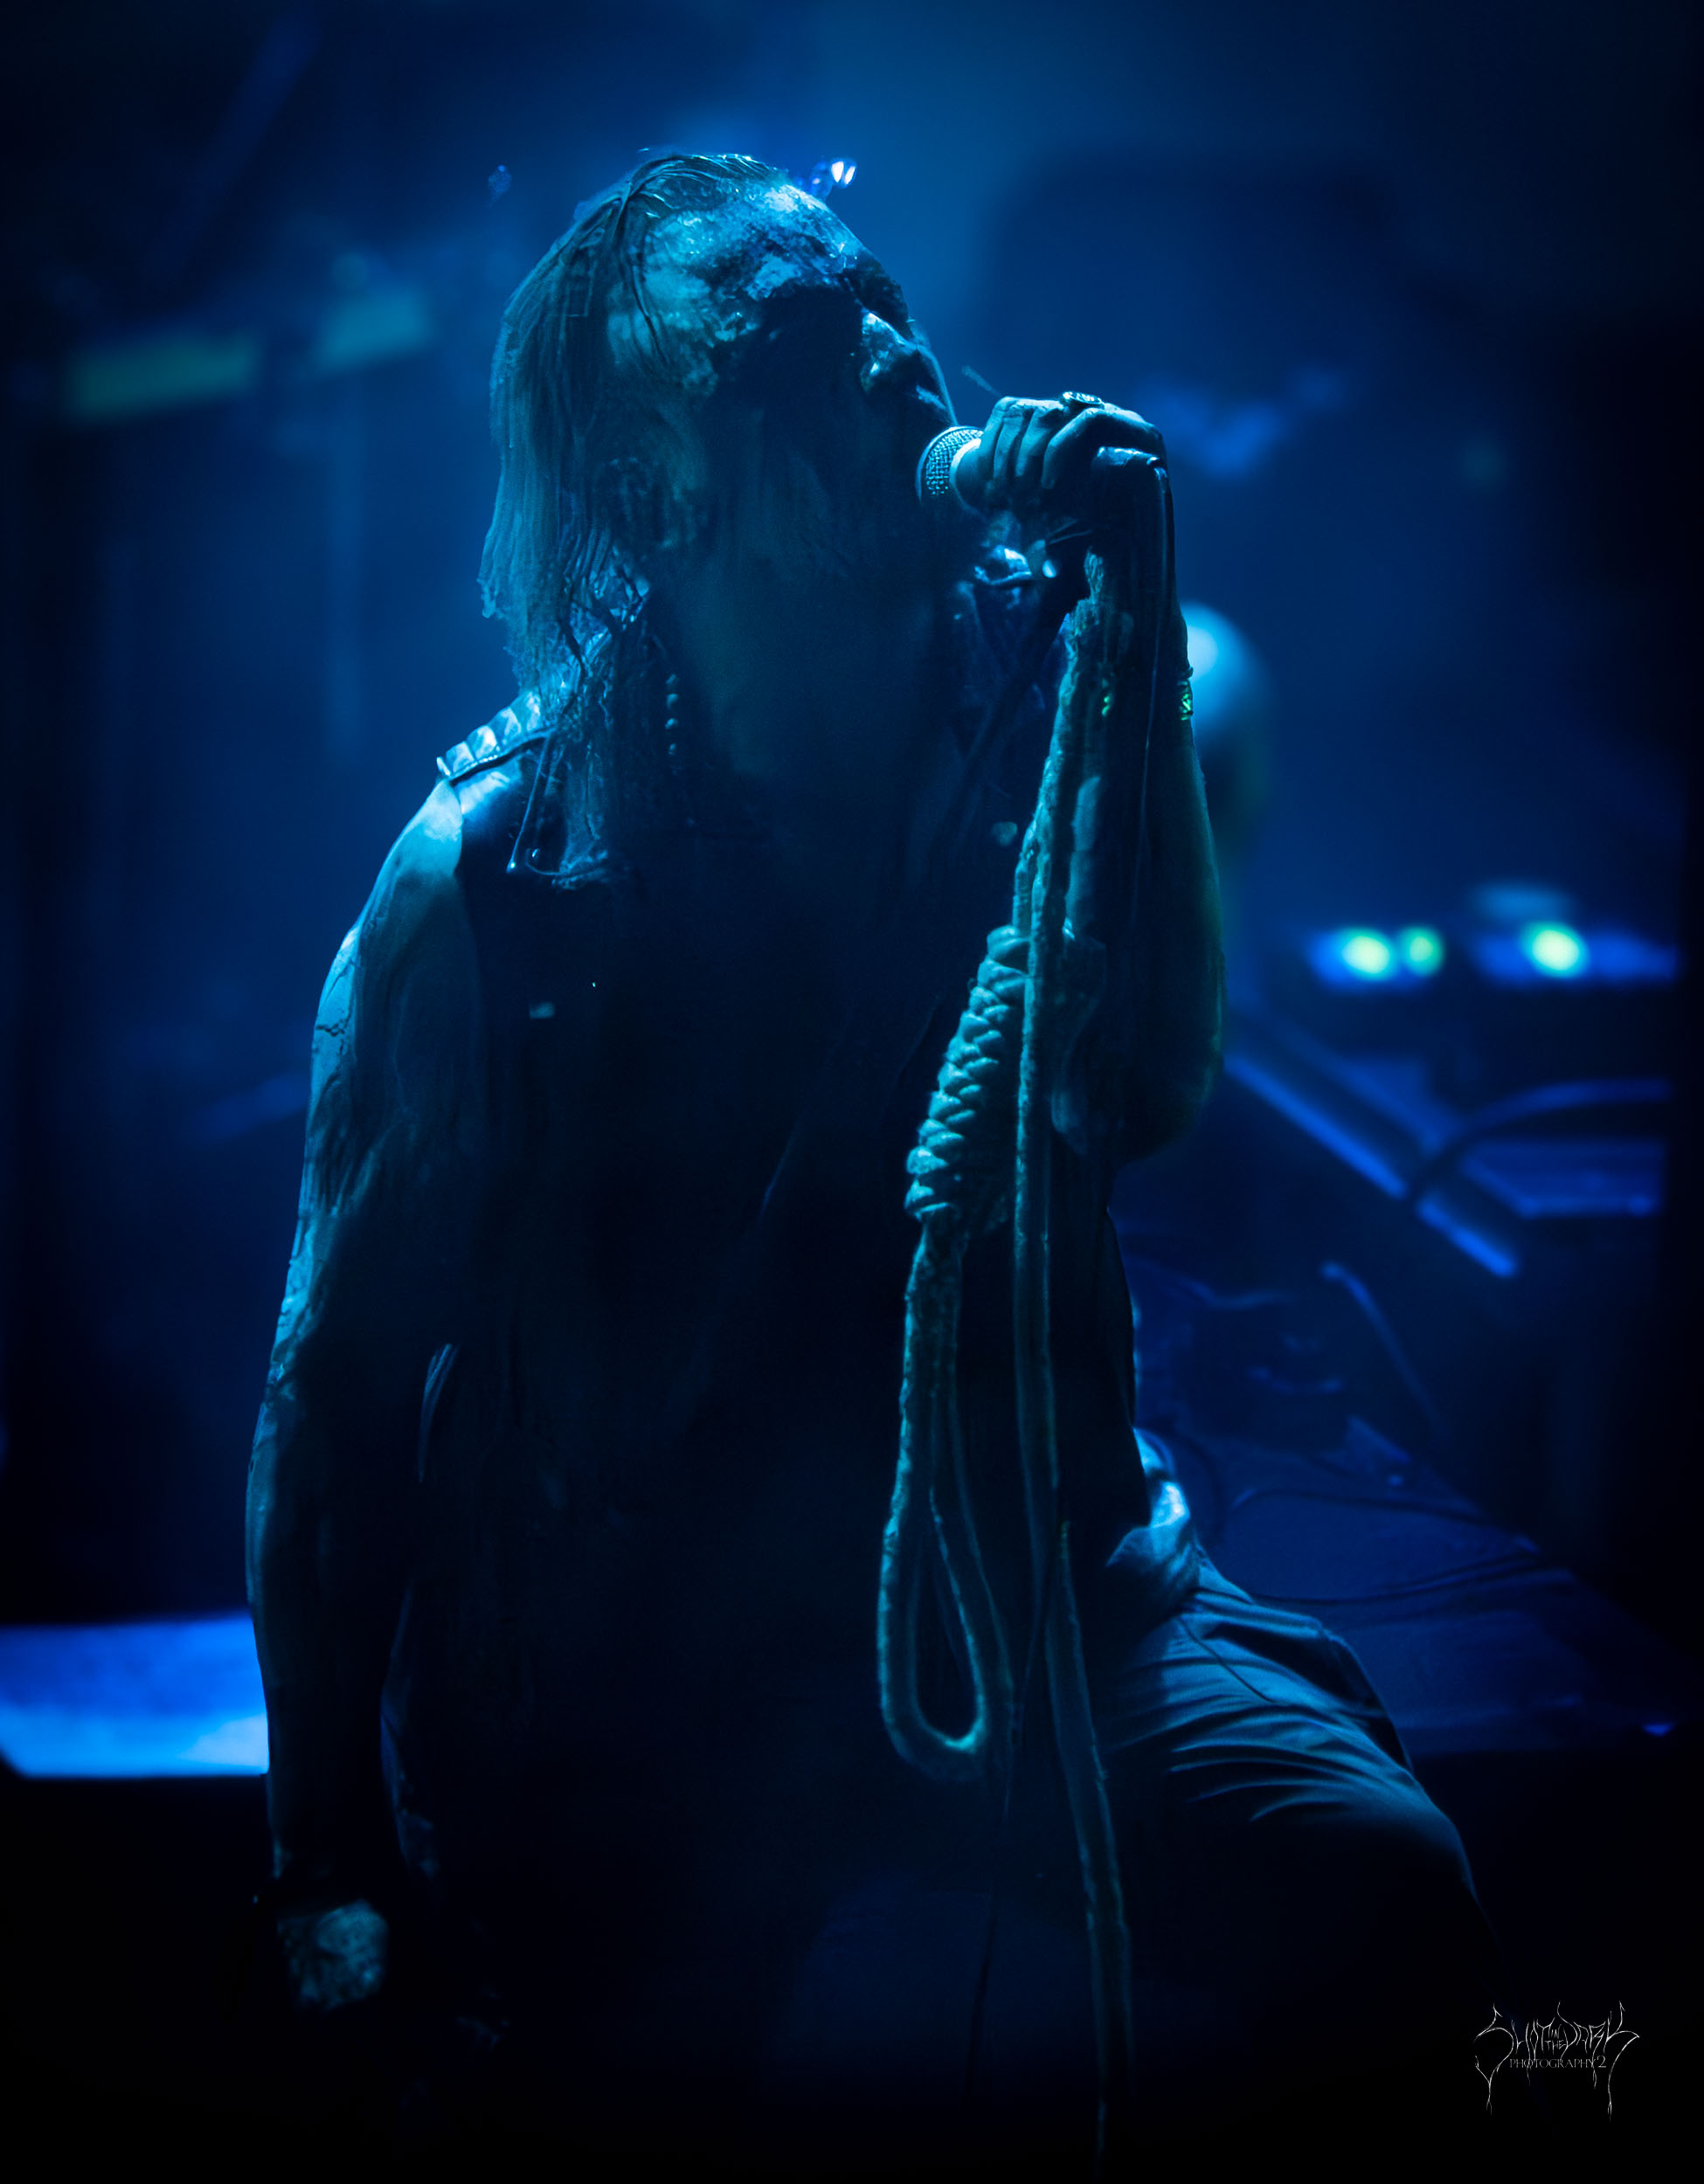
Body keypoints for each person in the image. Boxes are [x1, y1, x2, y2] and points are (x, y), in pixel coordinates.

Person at [246, 153, 1495, 2164]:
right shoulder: (489, 885)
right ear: (653, 493)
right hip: (646, 1686)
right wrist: (323, 1861)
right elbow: (335, 1393)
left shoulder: (1069, 705)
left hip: (1053, 1605)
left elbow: (1147, 1087)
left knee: (1384, 1889)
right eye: (802, 351)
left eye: (887, 305)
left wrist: (1140, 627)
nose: (901, 359)